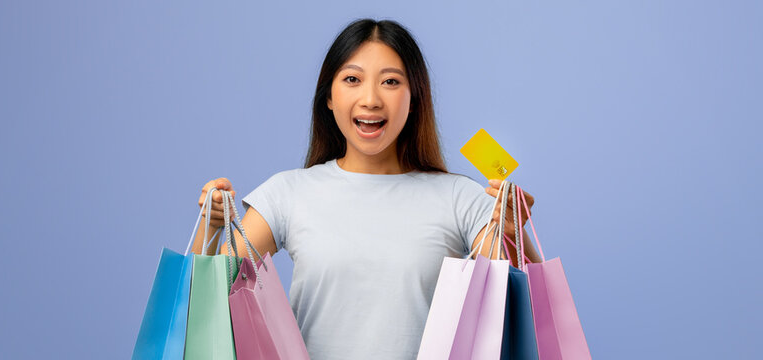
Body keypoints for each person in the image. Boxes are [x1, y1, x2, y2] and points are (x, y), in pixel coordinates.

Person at [191, 18, 541, 360]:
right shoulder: (288, 192)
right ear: (329, 96)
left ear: (414, 98)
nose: (371, 99)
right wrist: (210, 224)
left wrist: (515, 233)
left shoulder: (460, 197)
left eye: (390, 81)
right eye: (352, 79)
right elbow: (205, 304)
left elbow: (529, 308)